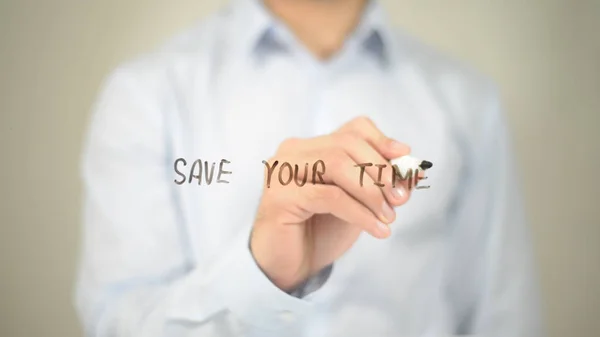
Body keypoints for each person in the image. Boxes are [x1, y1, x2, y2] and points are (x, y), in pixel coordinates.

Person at [74, 0, 543, 336]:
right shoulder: (145, 95)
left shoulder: (467, 102)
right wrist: (262, 274)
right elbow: (118, 324)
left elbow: (502, 318)